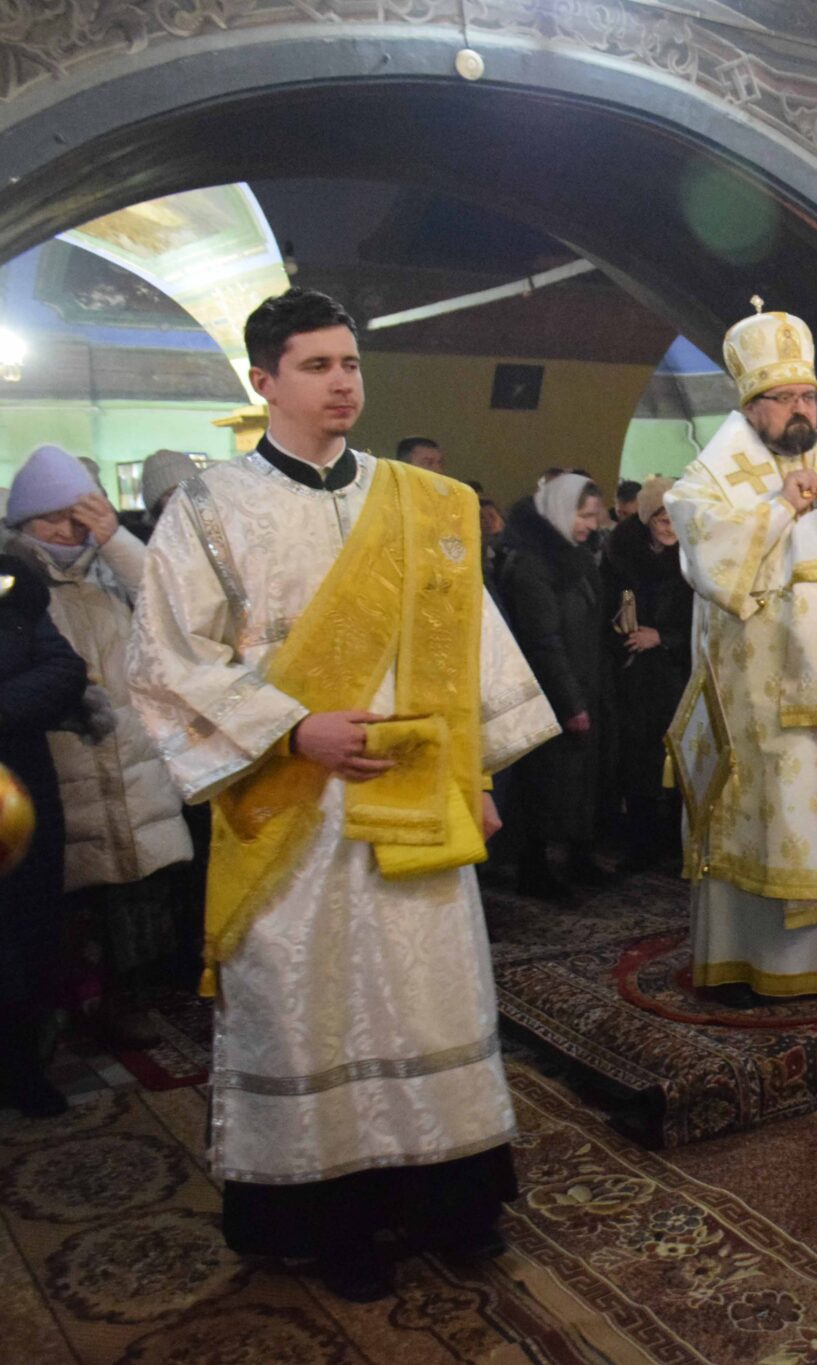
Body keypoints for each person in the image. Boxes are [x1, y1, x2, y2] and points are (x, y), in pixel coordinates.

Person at [127, 288, 559, 1301]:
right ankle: (332, 1224)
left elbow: (463, 649)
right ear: (263, 380)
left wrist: (473, 775)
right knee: (311, 1007)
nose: (340, 384)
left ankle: (452, 1202)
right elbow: (164, 663)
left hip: (413, 798)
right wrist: (292, 728)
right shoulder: (209, 511)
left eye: (350, 364)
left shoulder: (422, 501)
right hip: (290, 804)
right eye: (316, 366)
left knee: (427, 995)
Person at [665, 297, 817, 1000]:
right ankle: (762, 962)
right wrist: (780, 508)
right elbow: (712, 559)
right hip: (765, 706)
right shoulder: (713, 476)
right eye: (784, 397)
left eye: (809, 395)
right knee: (778, 821)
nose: (801, 409)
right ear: (749, 402)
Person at [1, 446, 193, 1039]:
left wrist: (113, 539)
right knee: (68, 902)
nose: (64, 530)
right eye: (48, 519)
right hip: (59, 762)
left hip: (132, 758)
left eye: (75, 516)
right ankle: (67, 1010)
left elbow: (175, 605)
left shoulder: (111, 570)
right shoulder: (18, 584)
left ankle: (121, 1002)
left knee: (132, 894)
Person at [495, 474, 613, 898]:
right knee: (546, 783)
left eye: (595, 517)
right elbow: (543, 640)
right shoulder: (532, 563)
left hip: (583, 679)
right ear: (561, 512)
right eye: (583, 516)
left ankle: (577, 857)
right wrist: (570, 700)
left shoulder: (572, 556)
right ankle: (536, 868)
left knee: (579, 778)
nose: (591, 526)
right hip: (551, 690)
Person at [0, 556, 88, 1117]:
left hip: (21, 795)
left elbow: (63, 669)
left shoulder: (9, 583)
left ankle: (21, 1069)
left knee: (27, 935)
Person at [604, 476, 694, 874]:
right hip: (637, 674)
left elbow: (704, 619)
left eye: (675, 517)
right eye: (660, 518)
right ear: (646, 518)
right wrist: (624, 632)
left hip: (681, 668)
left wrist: (665, 637)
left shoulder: (696, 555)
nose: (669, 525)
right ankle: (643, 840)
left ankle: (680, 839)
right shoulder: (622, 554)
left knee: (681, 756)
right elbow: (608, 605)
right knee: (641, 758)